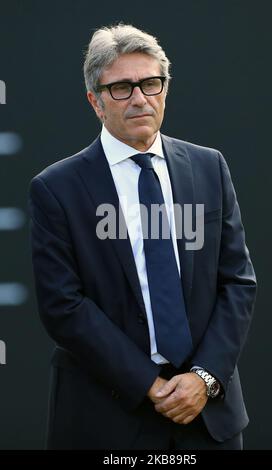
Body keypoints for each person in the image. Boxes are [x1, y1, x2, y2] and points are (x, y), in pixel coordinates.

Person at [29, 24, 257, 450]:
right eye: (121, 88)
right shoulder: (56, 188)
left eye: (151, 83)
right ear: (95, 101)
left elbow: (237, 283)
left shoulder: (210, 167)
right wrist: (149, 384)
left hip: (207, 417)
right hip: (105, 418)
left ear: (165, 89)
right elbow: (63, 305)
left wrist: (203, 379)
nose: (139, 98)